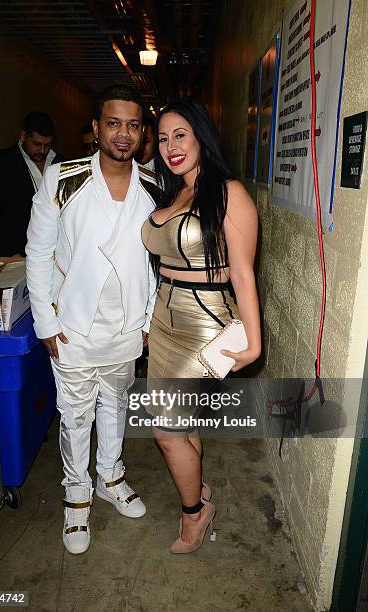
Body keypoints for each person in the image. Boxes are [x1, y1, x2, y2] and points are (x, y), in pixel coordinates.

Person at [25, 85, 159, 555]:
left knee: (116, 406)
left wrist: (147, 318)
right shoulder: (62, 179)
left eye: (134, 125)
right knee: (76, 414)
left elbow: (156, 263)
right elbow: (38, 253)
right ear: (97, 127)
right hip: (73, 326)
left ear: (143, 133)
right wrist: (44, 320)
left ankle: (111, 477)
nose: (124, 134)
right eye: (114, 123)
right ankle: (76, 496)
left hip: (126, 328)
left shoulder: (154, 187)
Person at [141, 98, 261, 554]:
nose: (171, 146)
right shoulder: (174, 192)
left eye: (181, 135)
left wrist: (253, 340)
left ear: (200, 136)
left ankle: (195, 513)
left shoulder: (228, 192)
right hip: (164, 321)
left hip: (205, 327)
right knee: (180, 421)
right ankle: (199, 488)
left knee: (166, 429)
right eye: (164, 137)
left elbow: (244, 272)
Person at [0, 111, 62, 256]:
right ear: (23, 136)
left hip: (57, 253)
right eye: (36, 144)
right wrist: (10, 252)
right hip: (18, 253)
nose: (42, 151)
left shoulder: (62, 162)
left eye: (47, 145)